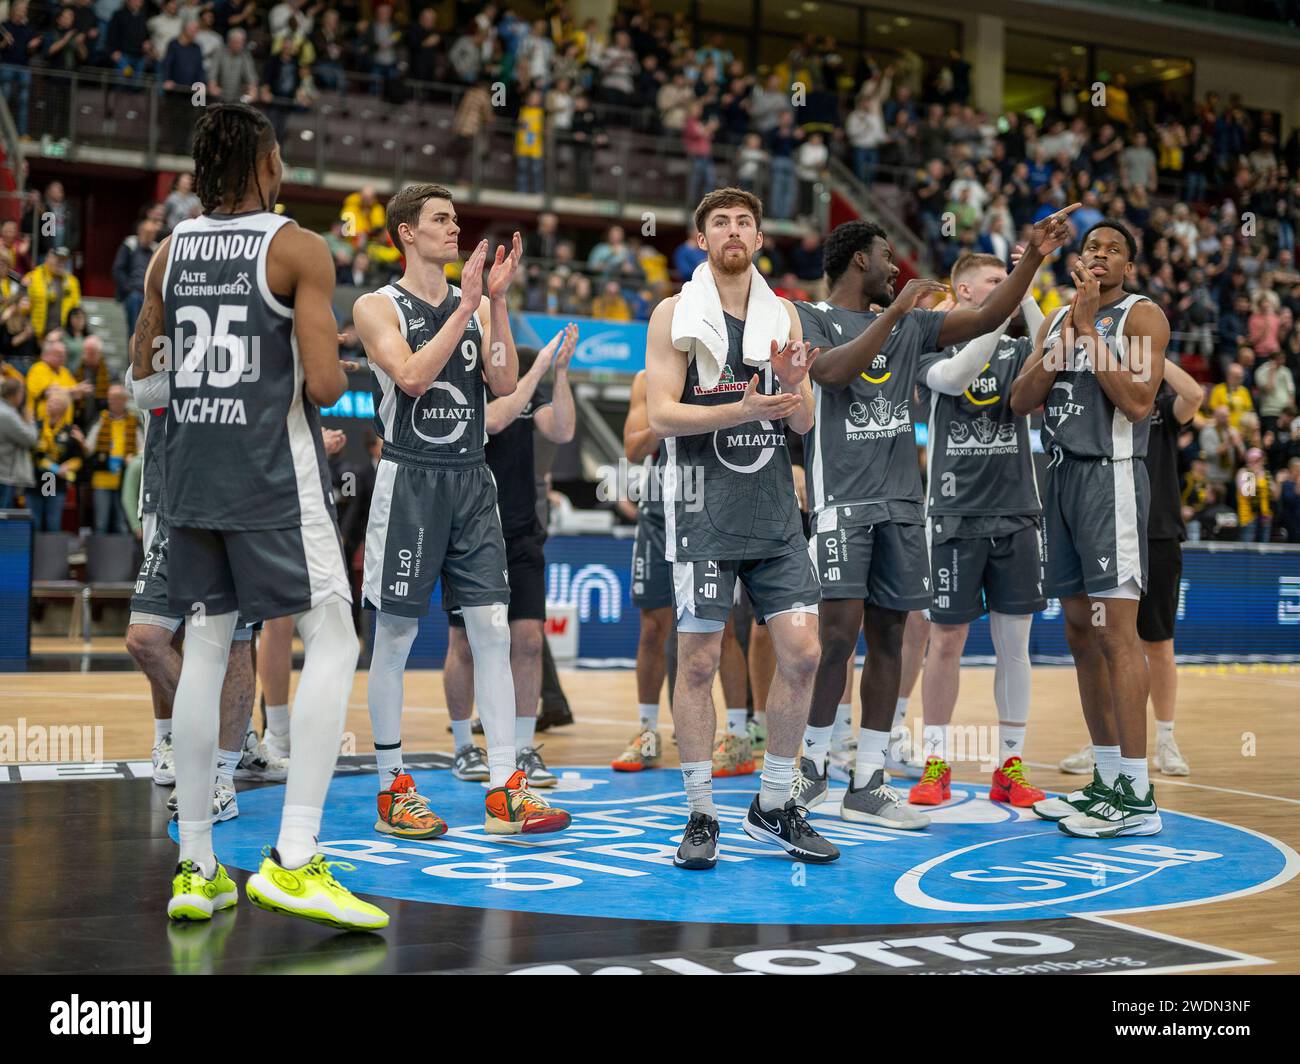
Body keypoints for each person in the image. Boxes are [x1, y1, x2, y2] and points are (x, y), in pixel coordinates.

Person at [131, 102, 383, 928]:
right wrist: (337, 356)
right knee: (335, 632)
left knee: (205, 649)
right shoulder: (296, 247)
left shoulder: (168, 253)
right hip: (272, 476)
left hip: (188, 479)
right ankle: (299, 855)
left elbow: (144, 381)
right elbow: (322, 387)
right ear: (267, 164)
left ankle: (197, 865)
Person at [795, 207, 1076, 828]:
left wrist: (1032, 256)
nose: (898, 267)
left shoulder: (919, 325)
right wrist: (894, 316)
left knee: (892, 639)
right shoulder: (810, 317)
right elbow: (833, 373)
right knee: (834, 640)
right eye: (887, 256)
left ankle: (866, 780)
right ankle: (811, 765)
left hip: (902, 506)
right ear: (860, 260)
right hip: (842, 502)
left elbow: (986, 316)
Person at [352, 183, 570, 839]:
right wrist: (467, 308)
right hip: (411, 477)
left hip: (473, 481)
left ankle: (506, 787)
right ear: (406, 233)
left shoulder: (474, 307)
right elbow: (413, 376)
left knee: (495, 632)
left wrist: (494, 304)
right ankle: (394, 788)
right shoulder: (375, 306)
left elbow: (504, 385)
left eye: (455, 218)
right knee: (395, 636)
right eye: (440, 220)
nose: (455, 229)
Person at [646, 186, 837, 870]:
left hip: (773, 511)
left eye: (745, 222)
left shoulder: (782, 314)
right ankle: (701, 815)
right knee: (697, 661)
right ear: (702, 239)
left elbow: (805, 423)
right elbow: (663, 415)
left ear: (758, 241)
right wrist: (743, 406)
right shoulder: (674, 312)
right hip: (703, 509)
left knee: (803, 653)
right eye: (720, 222)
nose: (733, 231)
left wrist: (792, 389)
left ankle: (775, 804)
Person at [1011, 218, 1169, 838]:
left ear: (1128, 267)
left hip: (1112, 480)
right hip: (1061, 480)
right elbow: (1022, 401)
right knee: (1081, 628)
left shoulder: (1141, 317)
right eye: (1091, 247)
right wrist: (1064, 336)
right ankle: (1107, 780)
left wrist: (1087, 332)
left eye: (1113, 250)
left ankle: (1137, 793)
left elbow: (1136, 402)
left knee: (1117, 633)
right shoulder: (1054, 320)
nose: (1099, 255)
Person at [906, 250, 1049, 809]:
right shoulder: (931, 342)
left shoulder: (1019, 349)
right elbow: (957, 376)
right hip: (953, 515)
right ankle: (936, 763)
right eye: (996, 282)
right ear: (963, 293)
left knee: (1015, 646)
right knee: (946, 642)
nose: (1006, 289)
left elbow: (1058, 349)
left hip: (1016, 514)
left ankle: (1010, 764)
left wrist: (1028, 284)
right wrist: (995, 314)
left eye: (1008, 281)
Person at [123, 362, 270, 824]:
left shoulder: (252, 338)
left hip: (240, 511)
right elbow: (141, 384)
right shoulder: (172, 335)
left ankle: (221, 775)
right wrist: (154, 288)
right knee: (147, 639)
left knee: (238, 644)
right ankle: (188, 737)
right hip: (175, 510)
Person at [445, 325, 577, 787]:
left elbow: (561, 428)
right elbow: (497, 420)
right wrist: (537, 368)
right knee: (466, 644)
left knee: (529, 642)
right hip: (471, 530)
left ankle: (523, 749)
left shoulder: (525, 374)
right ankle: (463, 745)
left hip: (521, 532)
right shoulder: (461, 375)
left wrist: (558, 374)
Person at [1058, 359, 1200, 778]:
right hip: (1107, 526)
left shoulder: (1160, 406)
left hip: (1156, 532)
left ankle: (1166, 739)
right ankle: (1105, 740)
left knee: (1157, 641)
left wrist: (1154, 356)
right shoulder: (1098, 396)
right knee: (1106, 640)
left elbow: (1194, 395)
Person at [615, 368, 672, 771]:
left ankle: (736, 731)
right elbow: (633, 450)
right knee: (653, 626)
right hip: (659, 506)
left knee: (716, 633)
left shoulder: (724, 367)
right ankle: (647, 730)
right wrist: (669, 416)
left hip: (713, 503)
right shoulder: (647, 378)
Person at [83, 382, 140, 534]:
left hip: (125, 479)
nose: (111, 401)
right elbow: (89, 447)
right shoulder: (101, 419)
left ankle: (123, 557)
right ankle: (101, 556)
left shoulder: (133, 421)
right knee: (101, 522)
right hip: (102, 480)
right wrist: (81, 442)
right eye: (110, 398)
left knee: (121, 522)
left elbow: (142, 449)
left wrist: (133, 458)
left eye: (115, 398)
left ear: (124, 400)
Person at [113, 216, 160, 337]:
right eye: (146, 233)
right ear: (140, 232)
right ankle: (133, 356)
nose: (149, 237)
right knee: (134, 331)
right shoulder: (130, 245)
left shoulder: (156, 250)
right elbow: (118, 269)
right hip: (133, 293)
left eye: (152, 234)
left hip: (149, 295)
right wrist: (127, 288)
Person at [0, 377, 36, 509]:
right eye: (22, 393)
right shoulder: (7, 415)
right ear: (15, 394)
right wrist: (29, 421)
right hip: (4, 476)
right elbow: (30, 439)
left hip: (6, 474)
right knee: (3, 520)